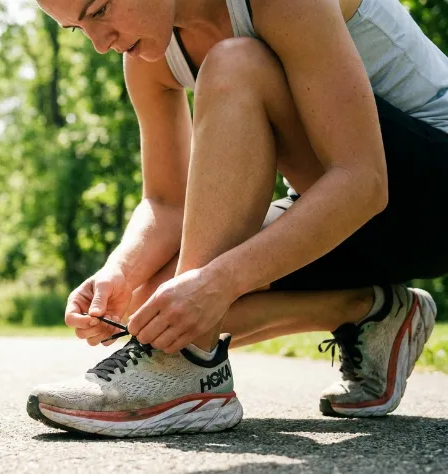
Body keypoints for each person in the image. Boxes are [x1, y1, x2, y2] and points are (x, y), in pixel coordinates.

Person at [26, 0, 448, 437]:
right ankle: (371, 311)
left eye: (98, 10)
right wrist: (120, 270)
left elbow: (363, 181)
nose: (99, 43)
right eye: (77, 28)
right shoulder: (147, 56)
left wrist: (219, 282)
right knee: (149, 302)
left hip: (429, 197)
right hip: (353, 217)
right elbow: (168, 204)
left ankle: (185, 370)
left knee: (235, 61)